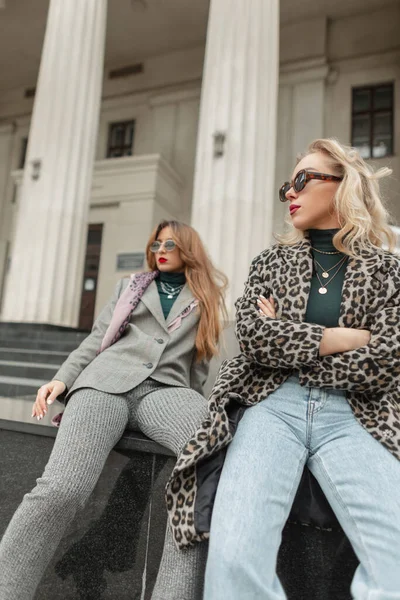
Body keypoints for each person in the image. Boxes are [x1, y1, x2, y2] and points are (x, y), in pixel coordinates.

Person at [164, 139, 400, 600]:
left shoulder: (388, 271)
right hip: (272, 406)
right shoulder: (270, 262)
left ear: (341, 185)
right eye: (285, 187)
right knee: (232, 560)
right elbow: (253, 338)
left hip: (357, 415)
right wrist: (340, 338)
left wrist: (290, 339)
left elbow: (386, 361)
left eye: (301, 180)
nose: (289, 193)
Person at [0, 220, 227, 600]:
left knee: (205, 471)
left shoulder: (206, 298)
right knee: (63, 488)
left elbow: (199, 364)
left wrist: (192, 407)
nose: (161, 249)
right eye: (156, 243)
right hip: (105, 383)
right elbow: (95, 339)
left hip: (167, 390)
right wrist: (63, 378)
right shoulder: (131, 286)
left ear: (189, 248)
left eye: (170, 243)